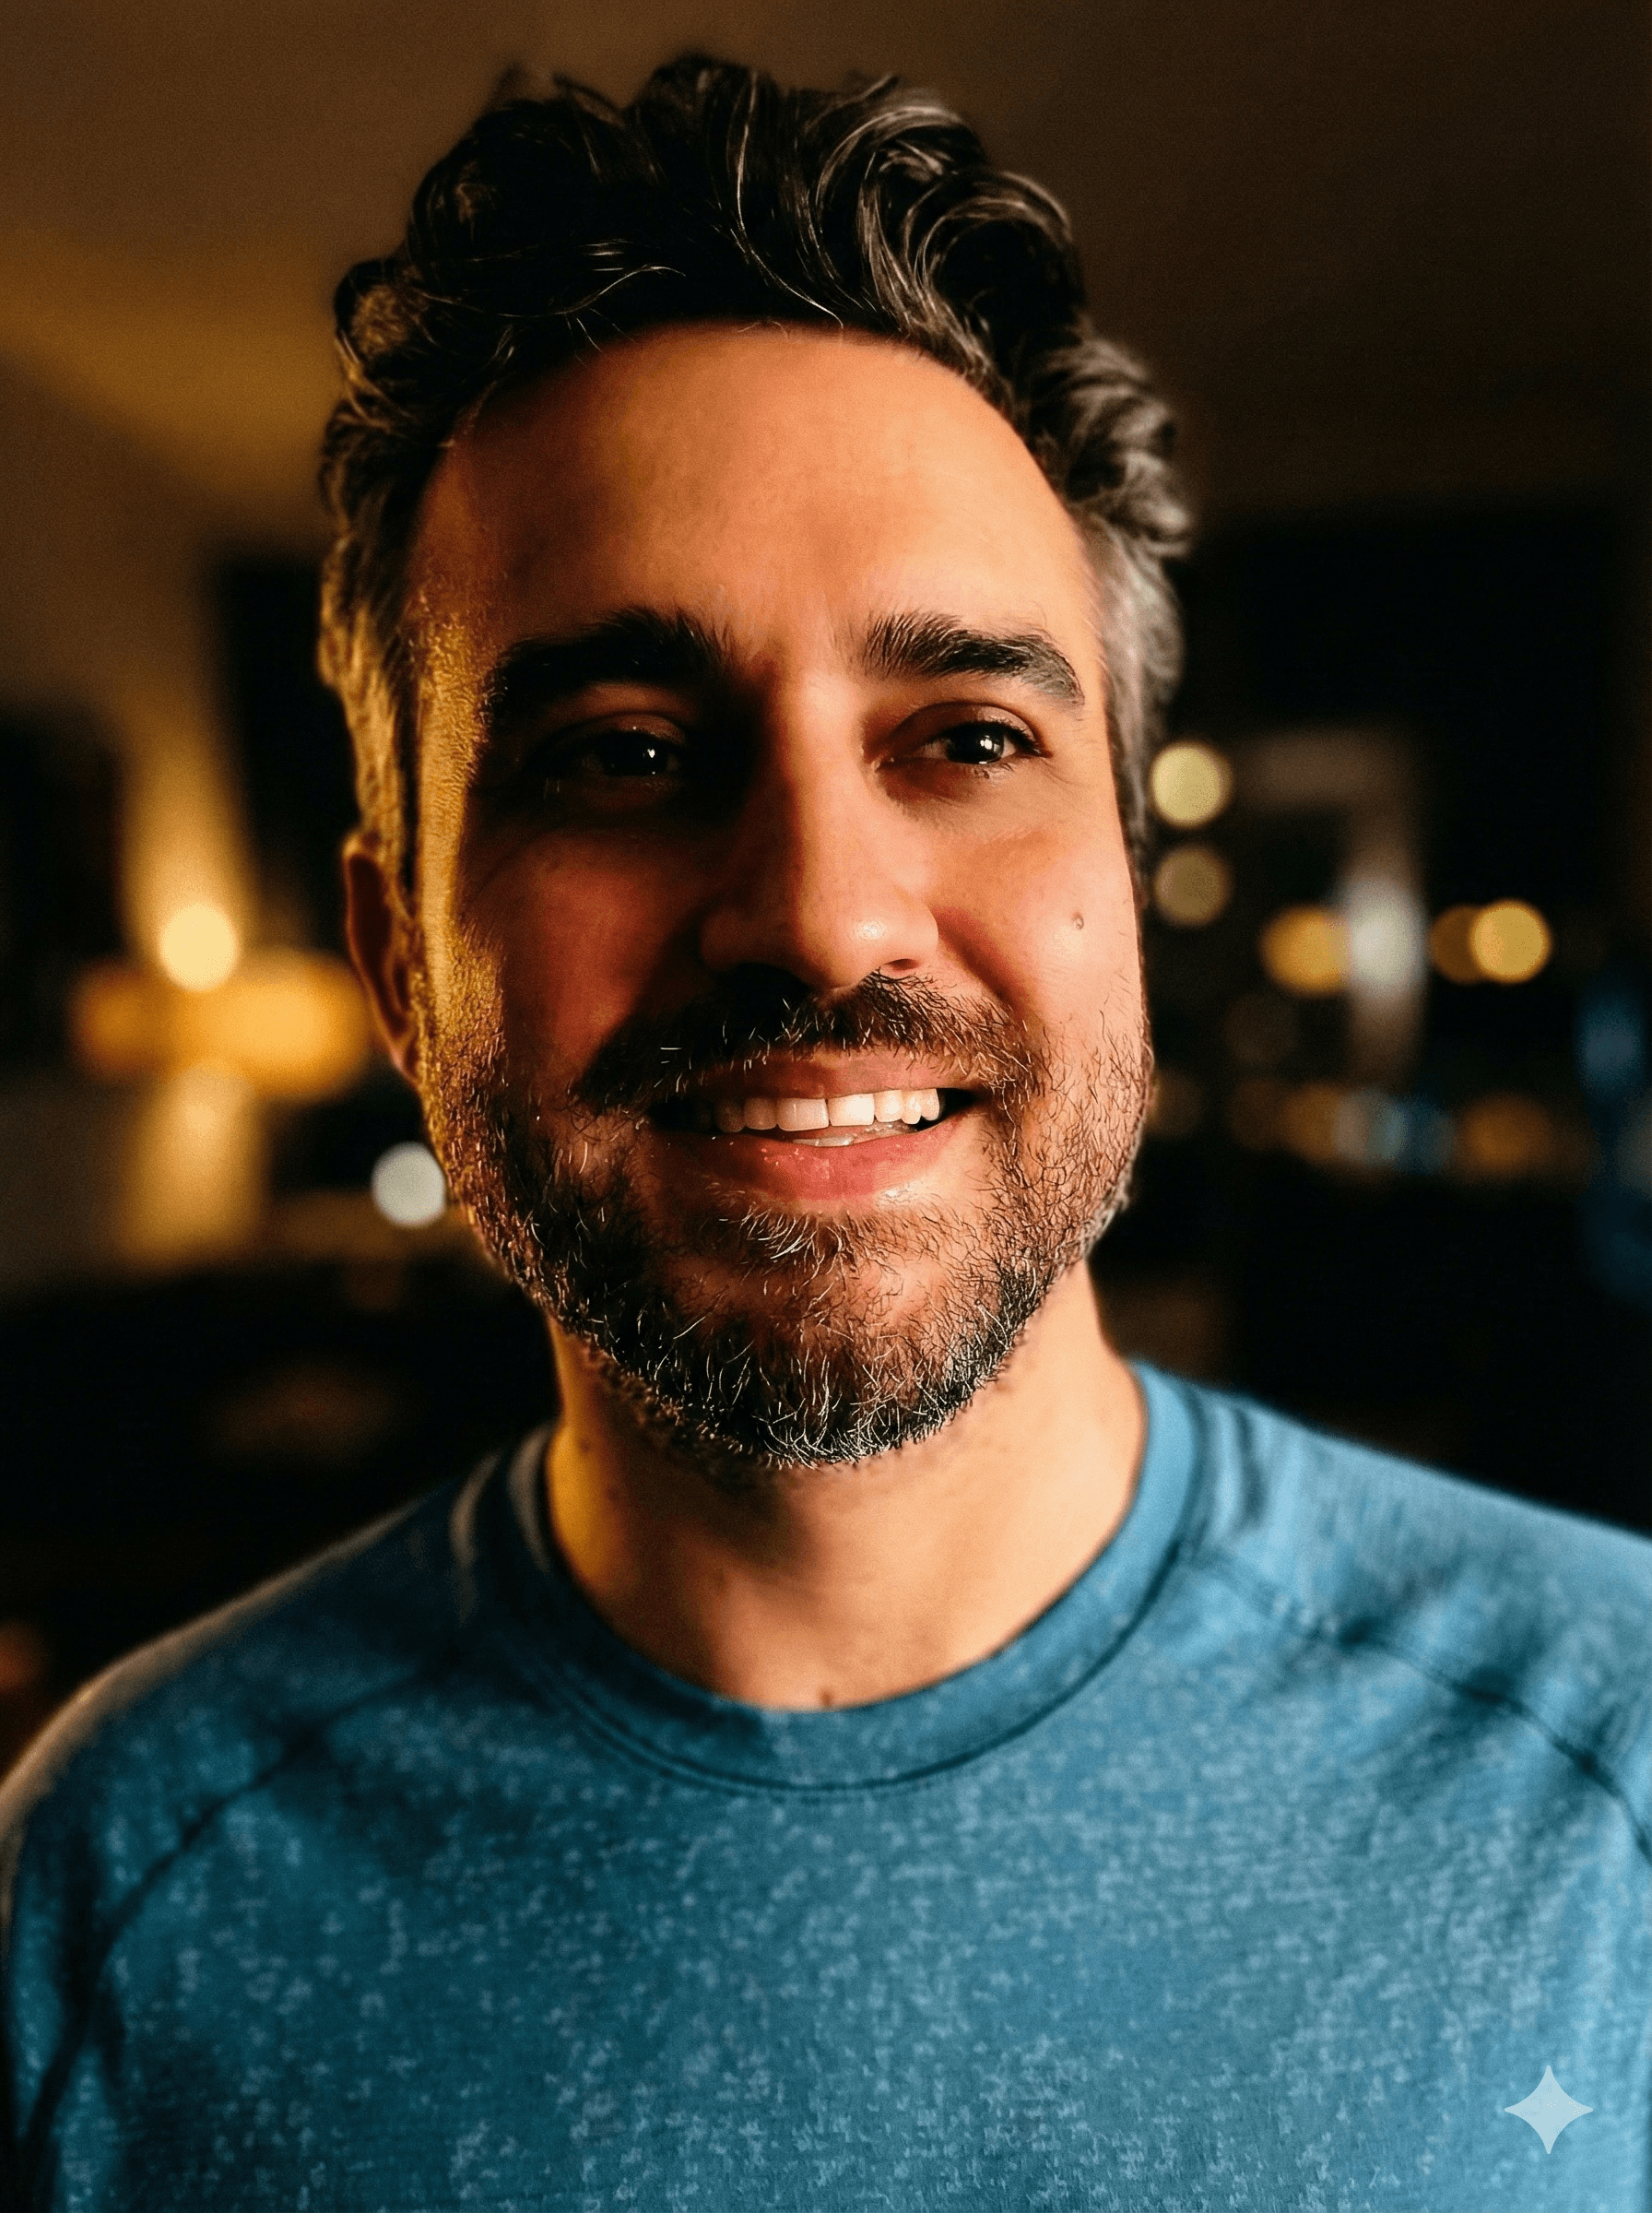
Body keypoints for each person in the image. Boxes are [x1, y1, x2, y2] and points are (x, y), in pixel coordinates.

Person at [1, 53, 1646, 2213]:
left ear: (1120, 897)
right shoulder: (113, 1897)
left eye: (963, 735)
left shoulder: (1608, 1765)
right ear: (400, 959)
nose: (817, 908)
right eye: (616, 752)